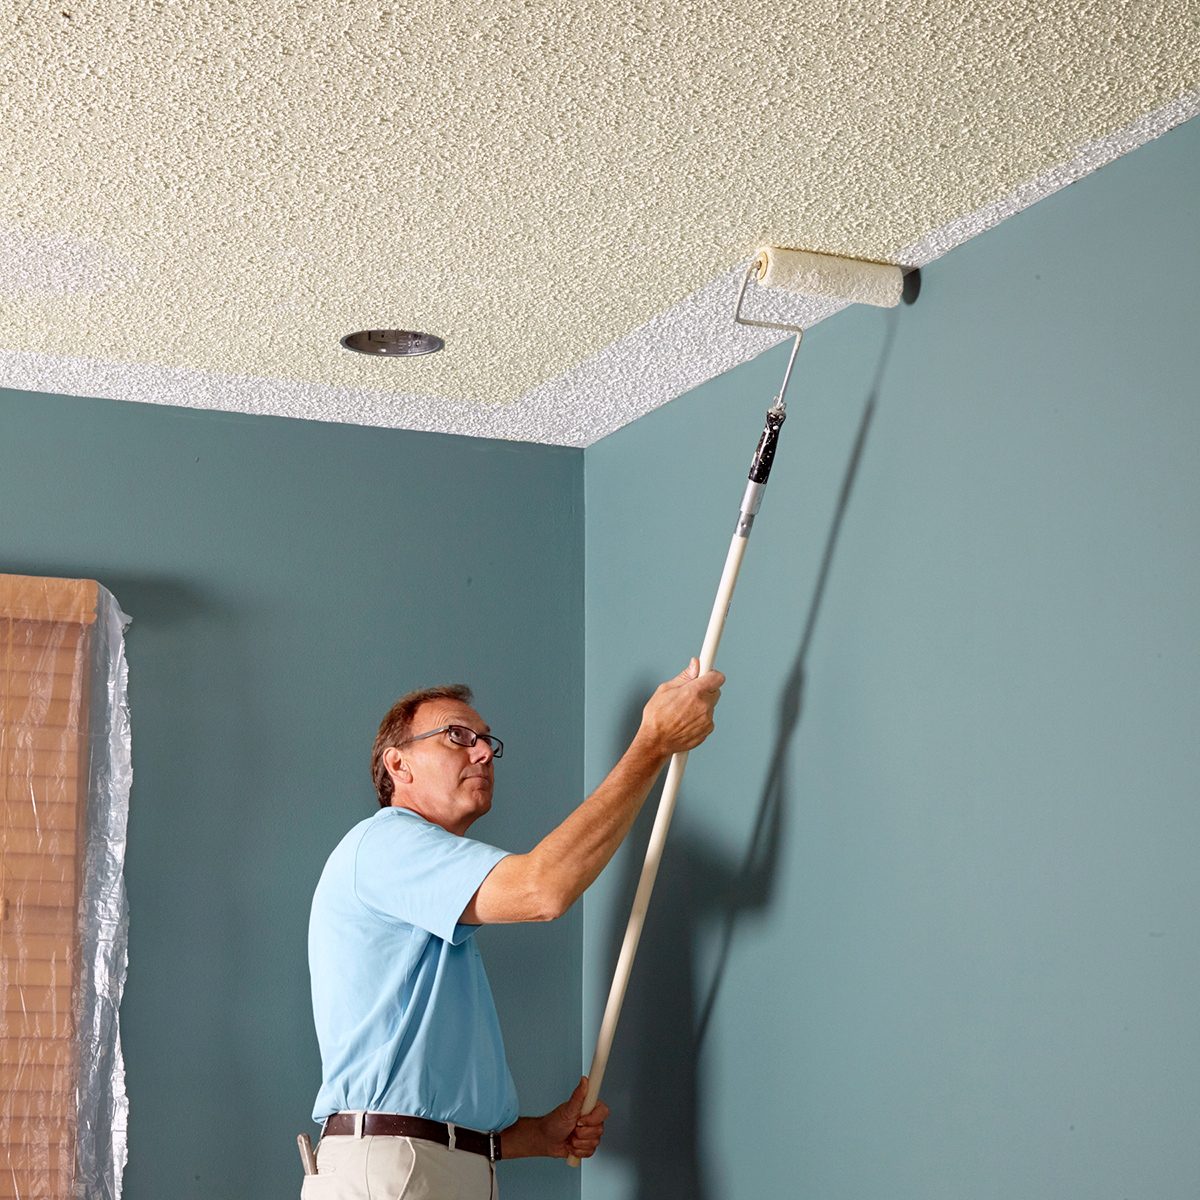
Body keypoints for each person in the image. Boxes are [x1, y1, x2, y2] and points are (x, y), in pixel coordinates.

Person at [304, 658, 724, 1198]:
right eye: (457, 736)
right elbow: (543, 889)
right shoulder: (385, 845)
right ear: (398, 765)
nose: (482, 752)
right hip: (393, 1170)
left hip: (434, 1168)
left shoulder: (427, 889)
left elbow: (430, 1110)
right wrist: (651, 745)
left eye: (486, 741)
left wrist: (540, 1136)